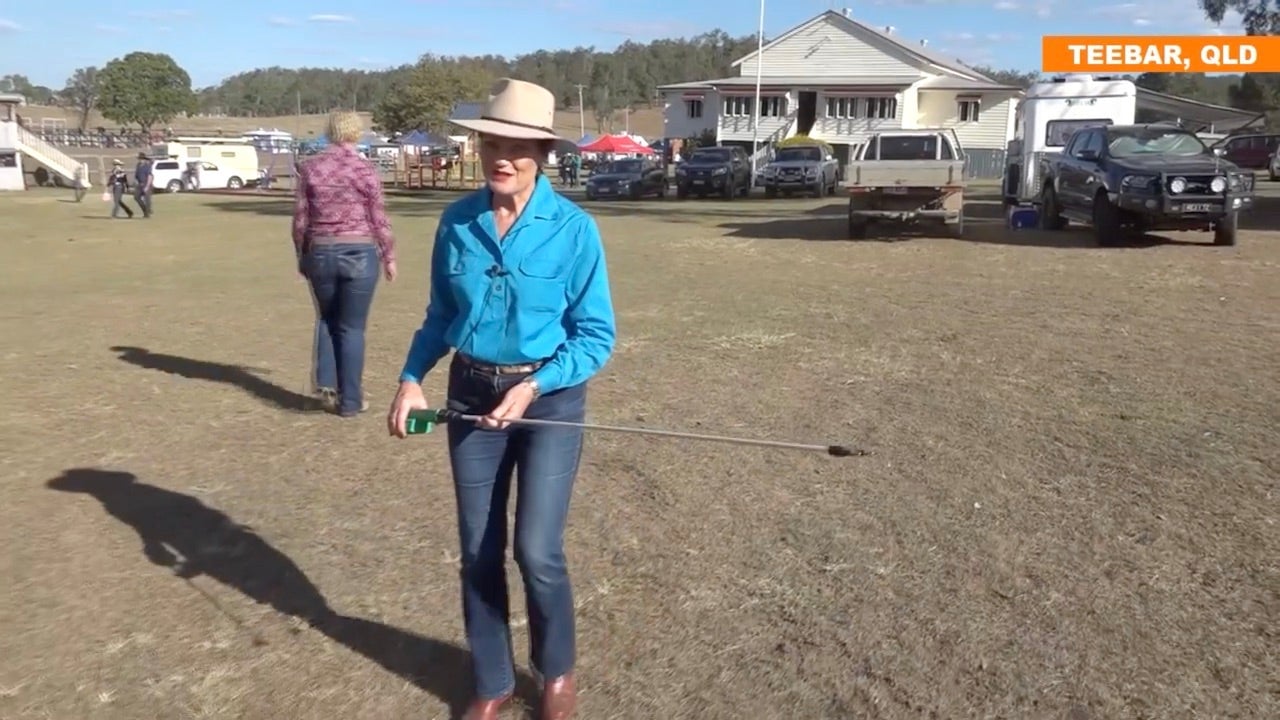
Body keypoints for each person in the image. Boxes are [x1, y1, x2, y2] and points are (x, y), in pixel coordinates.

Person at [387, 78, 616, 720]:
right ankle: (492, 681)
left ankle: (556, 674)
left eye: (518, 145)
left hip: (549, 397)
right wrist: (412, 377)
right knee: (478, 549)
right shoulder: (456, 221)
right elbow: (440, 315)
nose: (503, 156)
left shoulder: (574, 229)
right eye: (493, 142)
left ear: (542, 154)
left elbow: (596, 335)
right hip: (469, 397)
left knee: (537, 549)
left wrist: (533, 386)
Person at [292, 110, 397, 417]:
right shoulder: (365, 170)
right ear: (357, 134)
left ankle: (327, 382)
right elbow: (379, 219)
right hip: (360, 252)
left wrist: (301, 255)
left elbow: (300, 220)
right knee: (351, 328)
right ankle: (350, 401)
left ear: (329, 133)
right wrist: (389, 257)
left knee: (327, 318)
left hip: (321, 251)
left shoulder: (310, 169)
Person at [133, 152, 153, 218]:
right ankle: (146, 210)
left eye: (141, 159)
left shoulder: (147, 166)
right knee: (136, 197)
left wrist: (147, 186)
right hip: (140, 184)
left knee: (147, 199)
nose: (140, 160)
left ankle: (147, 214)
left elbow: (150, 176)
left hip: (146, 183)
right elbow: (136, 175)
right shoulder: (138, 165)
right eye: (139, 159)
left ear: (144, 159)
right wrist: (136, 182)